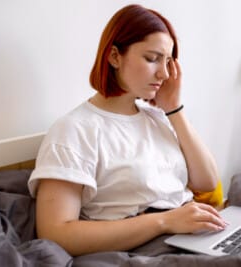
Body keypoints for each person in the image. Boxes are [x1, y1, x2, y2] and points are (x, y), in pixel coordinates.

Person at [27, 4, 226, 256]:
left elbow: (207, 182)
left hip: (193, 234)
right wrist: (165, 221)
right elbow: (56, 233)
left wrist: (174, 108)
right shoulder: (75, 130)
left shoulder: (158, 117)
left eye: (168, 62)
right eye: (152, 59)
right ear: (114, 57)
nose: (164, 74)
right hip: (147, 248)